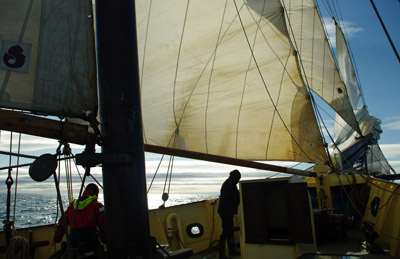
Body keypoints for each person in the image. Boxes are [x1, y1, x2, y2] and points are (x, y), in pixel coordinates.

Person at [52, 183, 106, 257]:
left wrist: (56, 238)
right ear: (96, 194)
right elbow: (103, 224)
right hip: (90, 244)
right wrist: (105, 239)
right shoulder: (98, 206)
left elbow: (62, 223)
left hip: (73, 243)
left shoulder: (72, 206)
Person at [218, 169, 241, 259]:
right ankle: (222, 254)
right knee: (226, 231)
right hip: (225, 212)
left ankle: (232, 250)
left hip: (227, 211)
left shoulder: (229, 183)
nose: (238, 180)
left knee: (230, 230)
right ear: (234, 177)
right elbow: (235, 196)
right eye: (238, 178)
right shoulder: (230, 184)